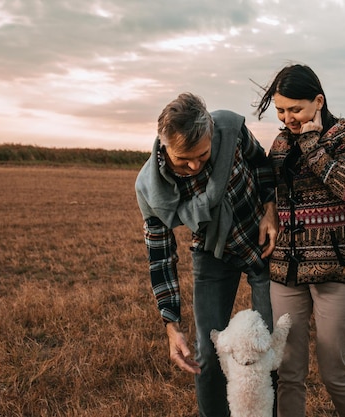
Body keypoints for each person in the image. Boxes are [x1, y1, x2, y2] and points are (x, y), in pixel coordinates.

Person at [135, 92, 279, 417]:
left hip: (262, 245)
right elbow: (160, 256)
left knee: (267, 349)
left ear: (212, 132)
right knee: (210, 352)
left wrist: (271, 209)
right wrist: (171, 325)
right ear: (164, 145)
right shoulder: (150, 188)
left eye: (202, 155)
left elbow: (261, 163)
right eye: (183, 159)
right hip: (213, 253)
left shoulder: (229, 128)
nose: (194, 165)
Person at [255, 64, 345, 417]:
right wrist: (268, 210)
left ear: (318, 101)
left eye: (296, 109)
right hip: (286, 270)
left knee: (334, 372)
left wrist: (310, 142)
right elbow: (270, 187)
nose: (288, 117)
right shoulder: (279, 143)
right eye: (281, 109)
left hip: (337, 269)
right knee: (289, 371)